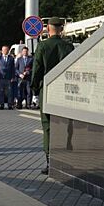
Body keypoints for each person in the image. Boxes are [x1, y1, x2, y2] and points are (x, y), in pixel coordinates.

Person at [31, 17, 75, 174]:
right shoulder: (68, 46)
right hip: (64, 90)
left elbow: (37, 69)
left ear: (48, 29)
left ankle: (50, 162)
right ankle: (66, 157)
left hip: (47, 91)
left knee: (48, 126)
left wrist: (35, 89)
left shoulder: (43, 46)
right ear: (61, 29)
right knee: (65, 125)